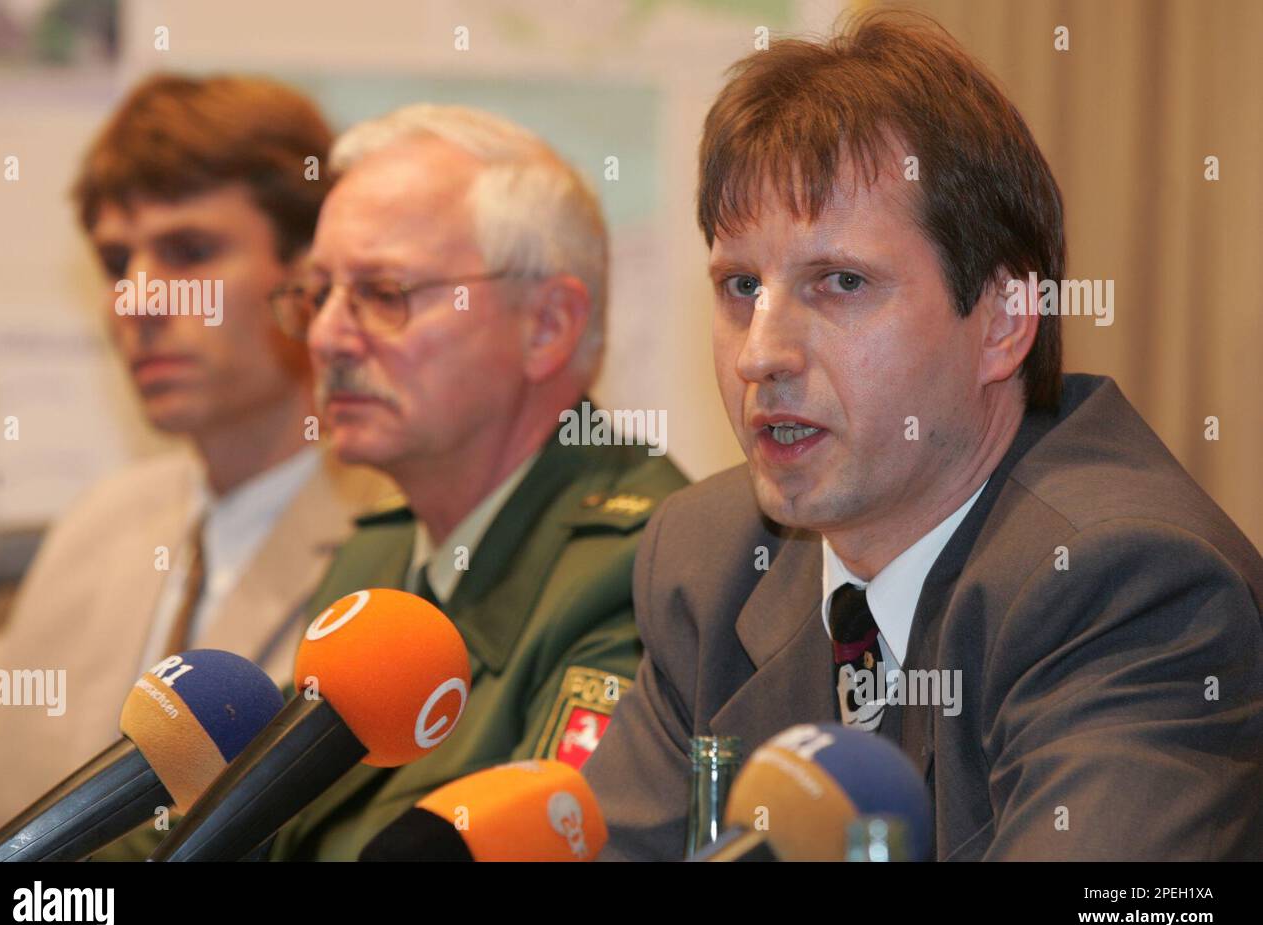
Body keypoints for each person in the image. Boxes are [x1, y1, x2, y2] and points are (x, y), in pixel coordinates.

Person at [583, 12, 1263, 861]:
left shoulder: (1127, 584)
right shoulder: (710, 560)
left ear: (1006, 319)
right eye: (740, 285)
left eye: (839, 282)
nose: (761, 354)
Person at [0, 74, 392, 844]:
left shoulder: (399, 536)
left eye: (190, 251)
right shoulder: (99, 523)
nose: (139, 300)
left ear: (309, 278)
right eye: (115, 262)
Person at [259, 104, 688, 860]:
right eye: (318, 292)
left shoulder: (645, 566)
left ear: (547, 325)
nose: (326, 336)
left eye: (384, 292)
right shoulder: (372, 561)